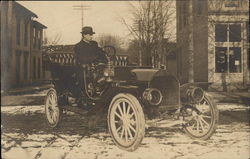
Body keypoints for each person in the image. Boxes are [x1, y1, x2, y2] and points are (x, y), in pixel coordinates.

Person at [74, 26, 107, 129]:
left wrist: (104, 58)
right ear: (84, 35)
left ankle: (102, 94)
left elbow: (102, 54)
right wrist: (92, 60)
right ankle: (84, 97)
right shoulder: (78, 46)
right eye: (89, 34)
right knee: (86, 76)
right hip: (83, 68)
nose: (91, 36)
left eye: (92, 34)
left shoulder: (94, 44)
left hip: (96, 68)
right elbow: (81, 58)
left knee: (106, 76)